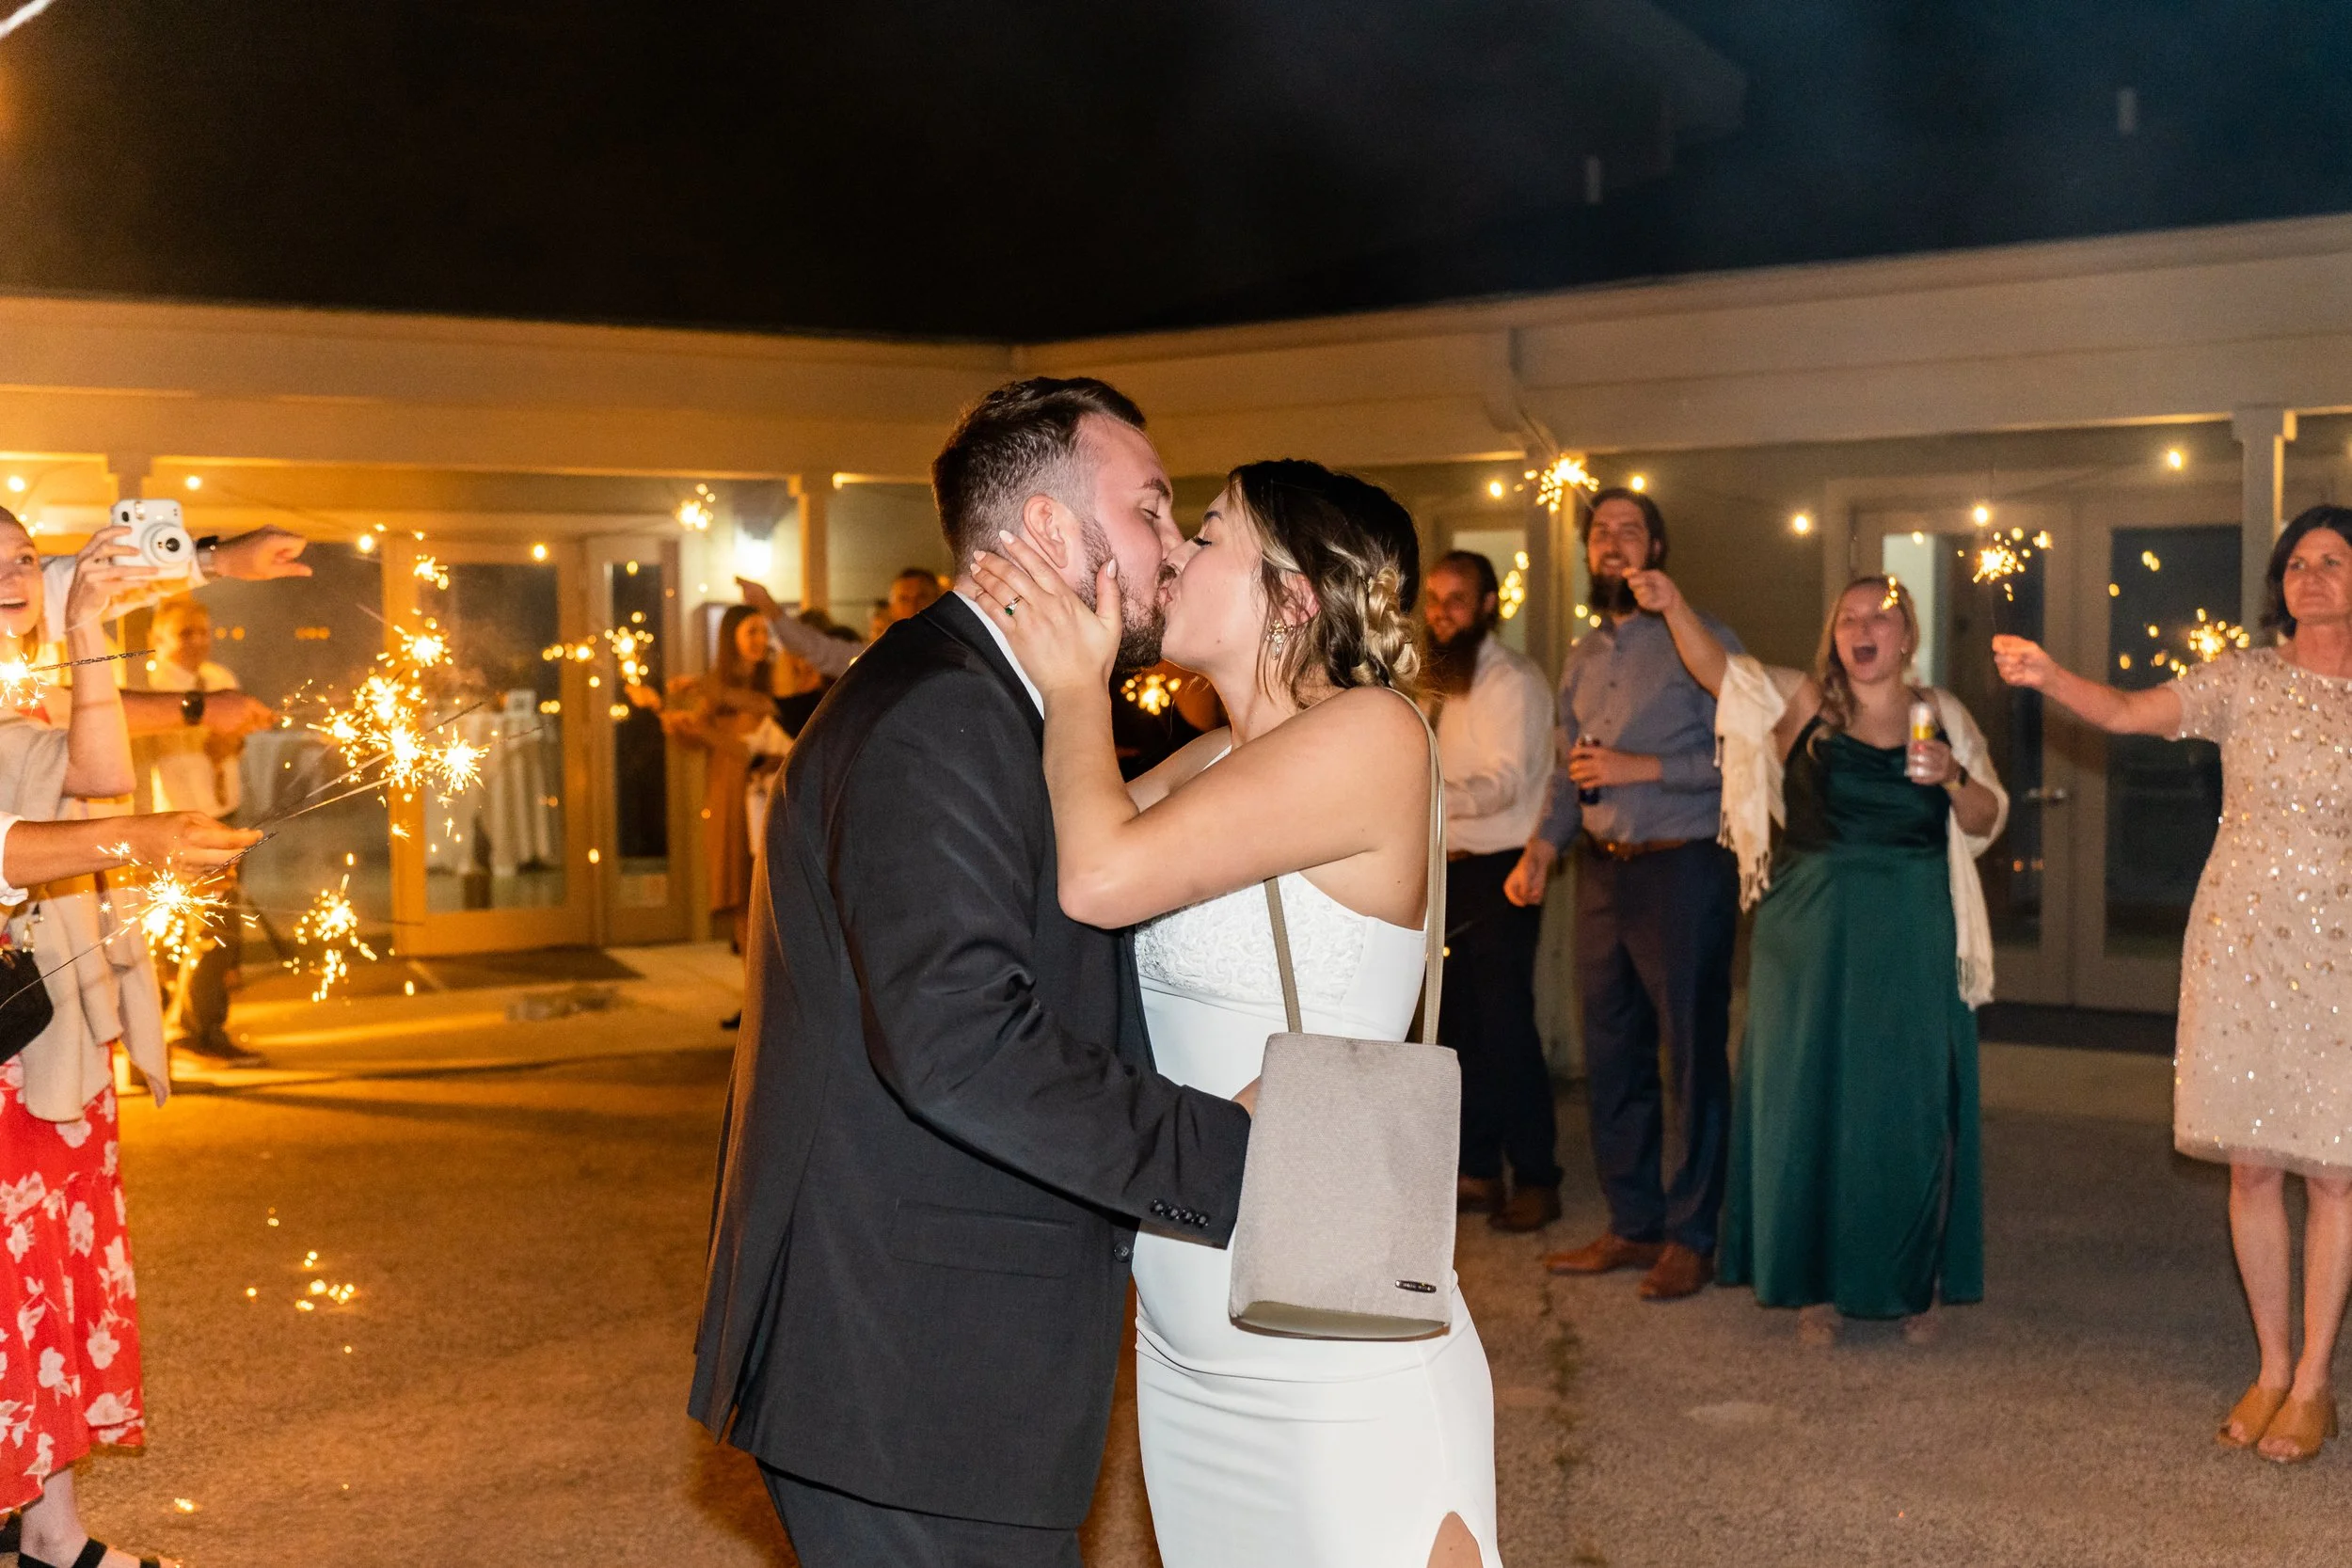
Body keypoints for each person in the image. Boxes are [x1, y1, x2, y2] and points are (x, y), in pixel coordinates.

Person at [690, 377, 1253, 1568]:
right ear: (1050, 528)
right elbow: (959, 1044)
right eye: (1150, 508)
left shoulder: (999, 701)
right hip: (911, 1361)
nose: (1169, 544)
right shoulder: (937, 714)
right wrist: (1233, 1152)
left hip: (937, 1354)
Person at [975, 460, 1500, 1568]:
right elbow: (1044, 864)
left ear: (1294, 594)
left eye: (1207, 533)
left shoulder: (1374, 733)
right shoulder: (1211, 755)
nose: (1172, 550)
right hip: (1184, 1343)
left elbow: (1100, 878)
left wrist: (1078, 690)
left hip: (1335, 1345)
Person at [1994, 503, 2352, 1464]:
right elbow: (2123, 711)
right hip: (2240, 939)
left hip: (2343, 948)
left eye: (2332, 559)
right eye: (2297, 562)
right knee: (2252, 1164)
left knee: (2334, 1171)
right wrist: (2048, 675)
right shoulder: (2244, 677)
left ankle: (2315, 1380)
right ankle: (2271, 1365)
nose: (2310, 575)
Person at [1639, 569, 2006, 1343]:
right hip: (1807, 931)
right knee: (1809, 1099)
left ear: (1906, 635)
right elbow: (1717, 672)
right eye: (1848, 618)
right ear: (1835, 636)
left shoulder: (1940, 713)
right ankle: (1814, 1284)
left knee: (1907, 1103)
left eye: (1880, 616)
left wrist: (1953, 775)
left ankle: (1912, 1282)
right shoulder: (1801, 700)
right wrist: (1674, 605)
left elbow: (1987, 817)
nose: (1862, 628)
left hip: (1912, 927)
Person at [0, 511, 264, 1568]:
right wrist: (138, 836)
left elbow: (99, 770)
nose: (18, 575)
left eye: (24, 558)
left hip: (33, 1017)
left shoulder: (20, 679)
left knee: (42, 1268)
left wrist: (85, 629)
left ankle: (48, 1526)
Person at [1510, 487, 1740, 1302]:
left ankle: (1694, 1235)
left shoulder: (1700, 639)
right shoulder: (1582, 655)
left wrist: (1643, 769)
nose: (1611, 541)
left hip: (1683, 867)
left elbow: (1745, 755)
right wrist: (1542, 849)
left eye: (1629, 530)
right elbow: (1569, 770)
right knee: (1612, 1054)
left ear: (1657, 547)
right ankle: (1633, 1223)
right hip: (1603, 873)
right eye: (1599, 531)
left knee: (1690, 1054)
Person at [1423, 550, 1563, 1232]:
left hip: (1503, 868)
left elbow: (1505, 783)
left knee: (1506, 1026)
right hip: (1447, 866)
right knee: (1457, 1028)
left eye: (1456, 599)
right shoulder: (1438, 678)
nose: (1440, 613)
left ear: (1488, 606)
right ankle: (1477, 1168)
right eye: (1432, 599)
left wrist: (1422, 794)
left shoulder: (1514, 680)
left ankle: (1537, 1177)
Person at [142, 598, 264, 1069]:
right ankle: (195, 1030)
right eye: (184, 633)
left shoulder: (219, 680)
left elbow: (235, 739)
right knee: (203, 927)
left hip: (224, 810)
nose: (197, 641)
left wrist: (231, 739)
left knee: (214, 926)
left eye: (202, 631)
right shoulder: (152, 689)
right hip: (179, 820)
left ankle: (195, 1026)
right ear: (158, 639)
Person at [653, 605, 779, 1027]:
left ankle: (770, 998)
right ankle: (754, 996)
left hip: (765, 790)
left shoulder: (774, 680)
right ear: (731, 638)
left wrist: (704, 701)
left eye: (763, 631)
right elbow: (700, 737)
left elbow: (765, 728)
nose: (760, 640)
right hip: (727, 795)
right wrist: (679, 726)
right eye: (751, 632)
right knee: (741, 897)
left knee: (767, 893)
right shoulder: (717, 686)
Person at [739, 564, 947, 681]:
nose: (914, 606)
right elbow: (818, 649)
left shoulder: (955, 652)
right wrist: (770, 608)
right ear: (892, 608)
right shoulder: (880, 658)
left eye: (922, 596)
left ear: (939, 600)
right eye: (904, 599)